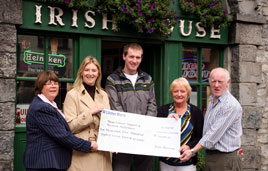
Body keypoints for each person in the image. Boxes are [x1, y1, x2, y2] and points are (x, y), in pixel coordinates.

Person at [23, 71, 97, 171]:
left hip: (50, 163)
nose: (53, 86)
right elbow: (62, 135)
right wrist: (88, 145)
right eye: (49, 83)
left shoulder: (49, 105)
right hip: (44, 164)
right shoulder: (42, 108)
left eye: (56, 83)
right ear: (40, 87)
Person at [105, 43, 157, 171]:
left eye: (138, 57)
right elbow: (115, 106)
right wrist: (130, 128)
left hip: (144, 136)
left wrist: (143, 126)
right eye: (131, 56)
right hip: (122, 137)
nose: (134, 61)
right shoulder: (112, 80)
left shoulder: (147, 79)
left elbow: (152, 104)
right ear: (124, 56)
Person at [179, 67, 243, 171]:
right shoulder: (213, 100)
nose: (216, 85)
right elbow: (206, 129)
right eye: (213, 81)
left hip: (225, 159)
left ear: (228, 82)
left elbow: (213, 134)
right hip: (211, 156)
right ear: (209, 81)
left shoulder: (230, 105)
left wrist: (193, 150)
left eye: (220, 82)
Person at [63, 56, 112, 171]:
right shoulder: (72, 94)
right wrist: (91, 112)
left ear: (98, 74)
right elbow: (69, 127)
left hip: (102, 150)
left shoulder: (103, 94)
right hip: (83, 151)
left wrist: (113, 142)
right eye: (87, 70)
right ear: (81, 73)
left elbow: (109, 124)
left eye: (94, 70)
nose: (90, 74)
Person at [157, 77, 204, 171]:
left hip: (187, 163)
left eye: (182, 91)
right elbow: (156, 133)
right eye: (176, 91)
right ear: (171, 93)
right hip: (166, 162)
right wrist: (166, 121)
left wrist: (189, 146)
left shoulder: (196, 112)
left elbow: (200, 136)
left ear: (188, 93)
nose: (179, 94)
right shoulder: (163, 111)